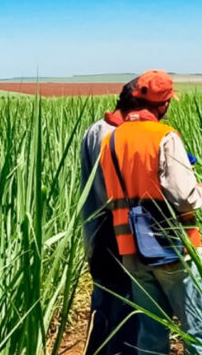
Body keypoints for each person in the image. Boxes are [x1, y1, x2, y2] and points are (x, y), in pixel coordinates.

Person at [98, 69, 202, 355]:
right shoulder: (165, 136)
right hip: (173, 247)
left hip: (130, 249)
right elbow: (184, 198)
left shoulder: (111, 141)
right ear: (162, 104)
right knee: (200, 331)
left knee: (151, 332)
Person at [80, 81, 140, 355]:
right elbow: (112, 194)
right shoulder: (115, 136)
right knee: (124, 309)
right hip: (115, 233)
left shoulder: (94, 129)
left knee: (102, 303)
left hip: (95, 232)